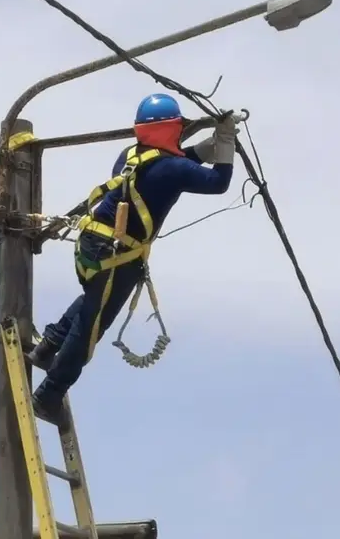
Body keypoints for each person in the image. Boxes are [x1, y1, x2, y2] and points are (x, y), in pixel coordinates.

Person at [28, 93, 239, 425]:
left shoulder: (130, 155)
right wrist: (224, 143)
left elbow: (179, 161)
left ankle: (47, 347)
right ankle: (48, 395)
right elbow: (218, 182)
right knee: (90, 327)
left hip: (94, 242)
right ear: (172, 129)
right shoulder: (173, 168)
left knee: (91, 302)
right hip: (119, 254)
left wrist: (212, 144)